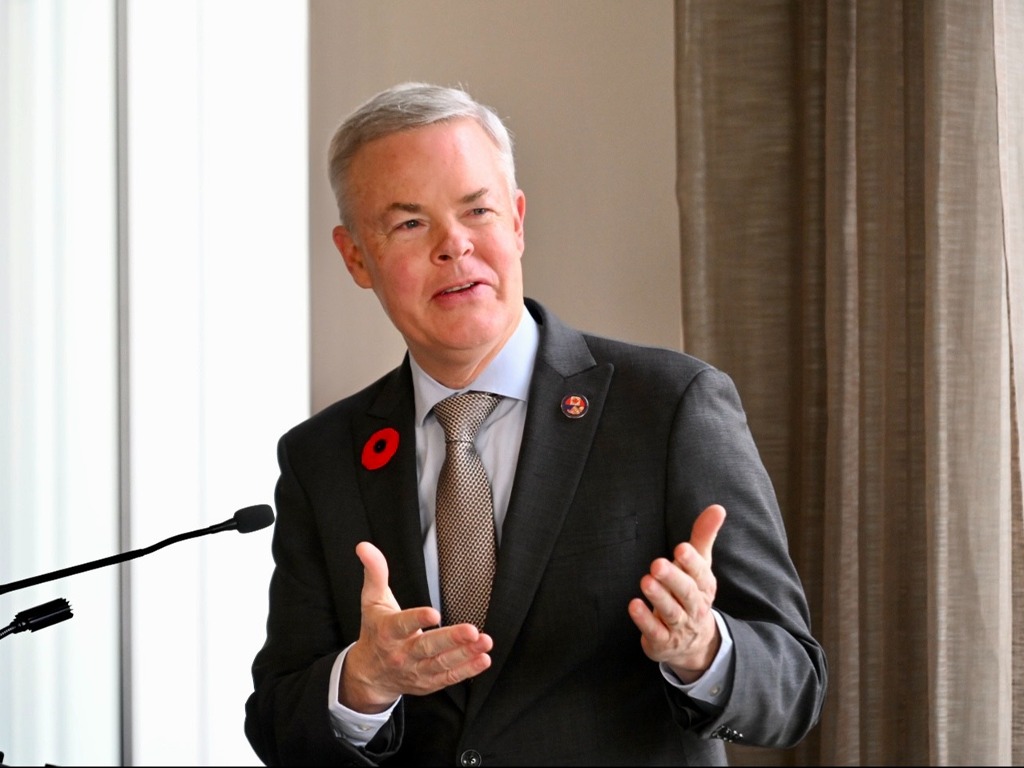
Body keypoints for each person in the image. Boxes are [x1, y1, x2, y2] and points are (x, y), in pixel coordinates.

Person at [244, 81, 827, 766]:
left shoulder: (669, 406)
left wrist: (703, 650)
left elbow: (794, 688)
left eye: (477, 211)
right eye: (409, 224)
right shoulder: (322, 457)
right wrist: (363, 683)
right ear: (355, 257)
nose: (454, 246)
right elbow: (278, 725)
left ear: (517, 221)